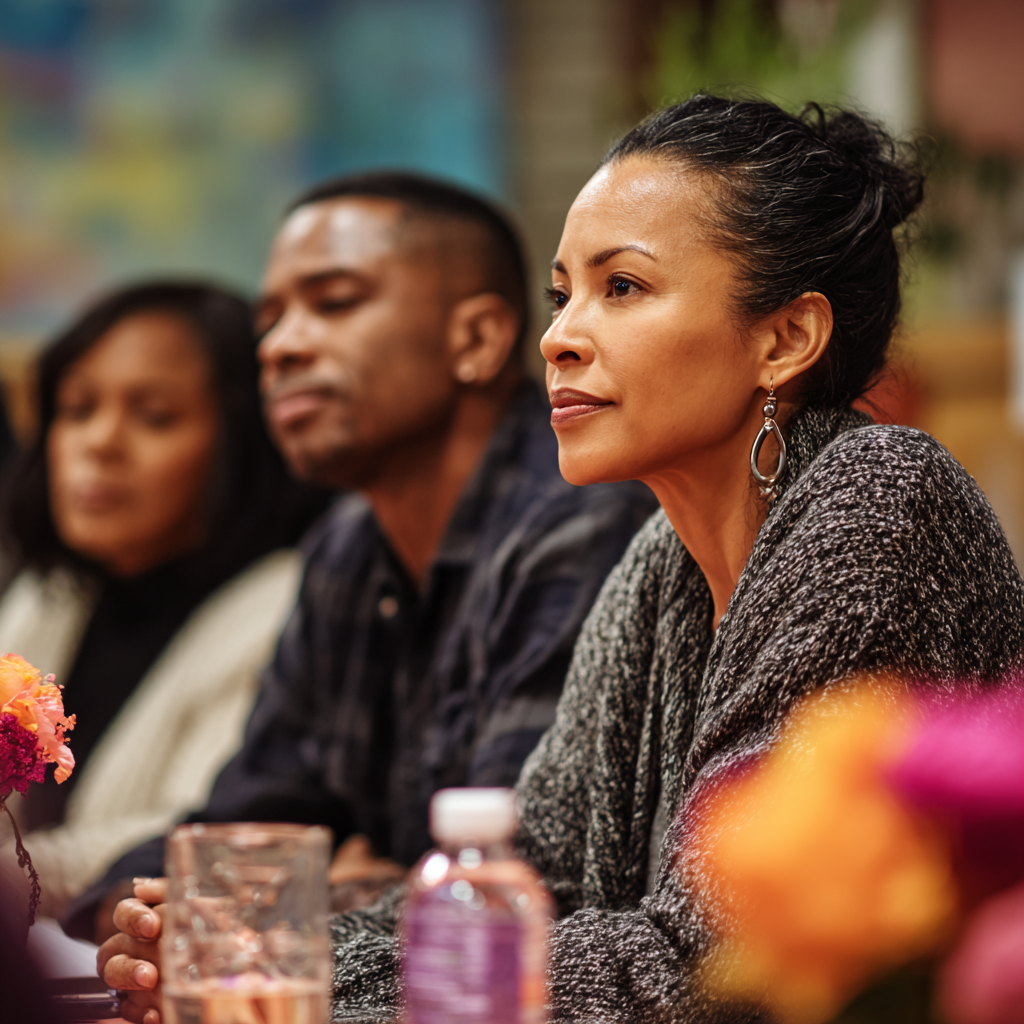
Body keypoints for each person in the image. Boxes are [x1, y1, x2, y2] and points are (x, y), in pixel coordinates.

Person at [100, 98, 1024, 1022]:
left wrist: (291, 976)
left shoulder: (876, 497)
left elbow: (713, 962)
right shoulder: (662, 561)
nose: (559, 337)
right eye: (562, 294)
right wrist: (233, 946)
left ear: (784, 340)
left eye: (621, 288)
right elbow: (530, 879)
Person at [91, 170, 658, 1017]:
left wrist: (299, 906)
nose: (282, 347)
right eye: (272, 318)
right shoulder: (346, 546)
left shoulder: (577, 519)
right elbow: (247, 822)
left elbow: (514, 884)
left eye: (334, 302)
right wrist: (139, 909)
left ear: (476, 338)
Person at [0, 282, 330, 918]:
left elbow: (203, 836)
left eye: (154, 417)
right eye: (76, 409)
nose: (99, 443)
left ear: (242, 439)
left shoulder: (286, 604)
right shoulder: (52, 596)